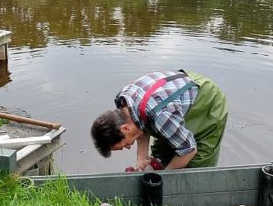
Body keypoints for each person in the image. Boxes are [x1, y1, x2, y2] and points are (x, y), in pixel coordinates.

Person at [91, 70, 228, 170]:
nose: (128, 146)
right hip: (171, 99)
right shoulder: (123, 100)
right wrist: (142, 159)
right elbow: (140, 125)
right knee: (161, 156)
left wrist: (165, 178)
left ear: (125, 128)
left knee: (196, 166)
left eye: (125, 144)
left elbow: (189, 149)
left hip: (207, 100)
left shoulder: (161, 117)